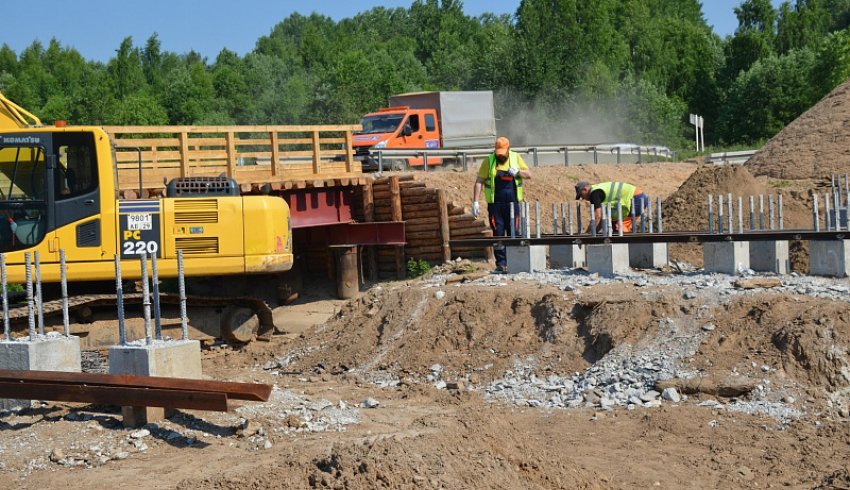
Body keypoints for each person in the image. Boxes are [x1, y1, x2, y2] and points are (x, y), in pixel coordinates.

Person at [472, 136, 532, 272]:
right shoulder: (489, 160)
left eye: (502, 153)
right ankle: (501, 263)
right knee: (498, 233)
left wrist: (518, 172)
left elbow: (529, 174)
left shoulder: (516, 158)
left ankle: (515, 262)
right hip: (495, 205)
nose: (500, 156)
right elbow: (479, 181)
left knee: (514, 232)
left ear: (508, 149)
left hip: (513, 203)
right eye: (498, 153)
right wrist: (475, 201)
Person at [574, 180, 649, 233]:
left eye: (581, 195)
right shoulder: (597, 191)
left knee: (619, 228)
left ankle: (623, 250)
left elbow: (598, 216)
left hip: (636, 199)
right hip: (638, 198)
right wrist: (592, 233)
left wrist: (590, 234)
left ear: (585, 189)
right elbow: (601, 219)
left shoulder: (594, 193)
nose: (583, 198)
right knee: (615, 226)